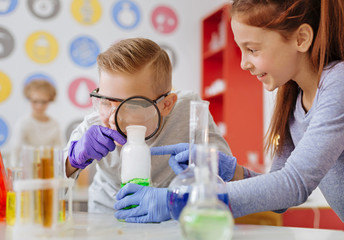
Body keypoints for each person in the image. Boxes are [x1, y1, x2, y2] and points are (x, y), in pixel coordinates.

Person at [115, 0, 344, 237]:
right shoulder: (293, 96)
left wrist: (180, 200)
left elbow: (293, 185)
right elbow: (279, 196)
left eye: (252, 49)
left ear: (301, 38)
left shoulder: (342, 80)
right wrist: (231, 170)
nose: (243, 63)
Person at [64, 38, 240, 217]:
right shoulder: (93, 126)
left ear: (166, 105)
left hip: (169, 220)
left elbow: (230, 179)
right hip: (106, 218)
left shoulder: (189, 111)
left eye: (131, 105)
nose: (111, 119)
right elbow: (51, 185)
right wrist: (73, 159)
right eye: (104, 102)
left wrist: (181, 195)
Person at [11, 79, 62, 167]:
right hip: (27, 171)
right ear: (29, 99)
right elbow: (15, 152)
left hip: (48, 171)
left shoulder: (55, 124)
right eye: (35, 101)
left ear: (50, 100)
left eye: (43, 102)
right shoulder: (23, 123)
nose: (39, 106)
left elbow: (60, 153)